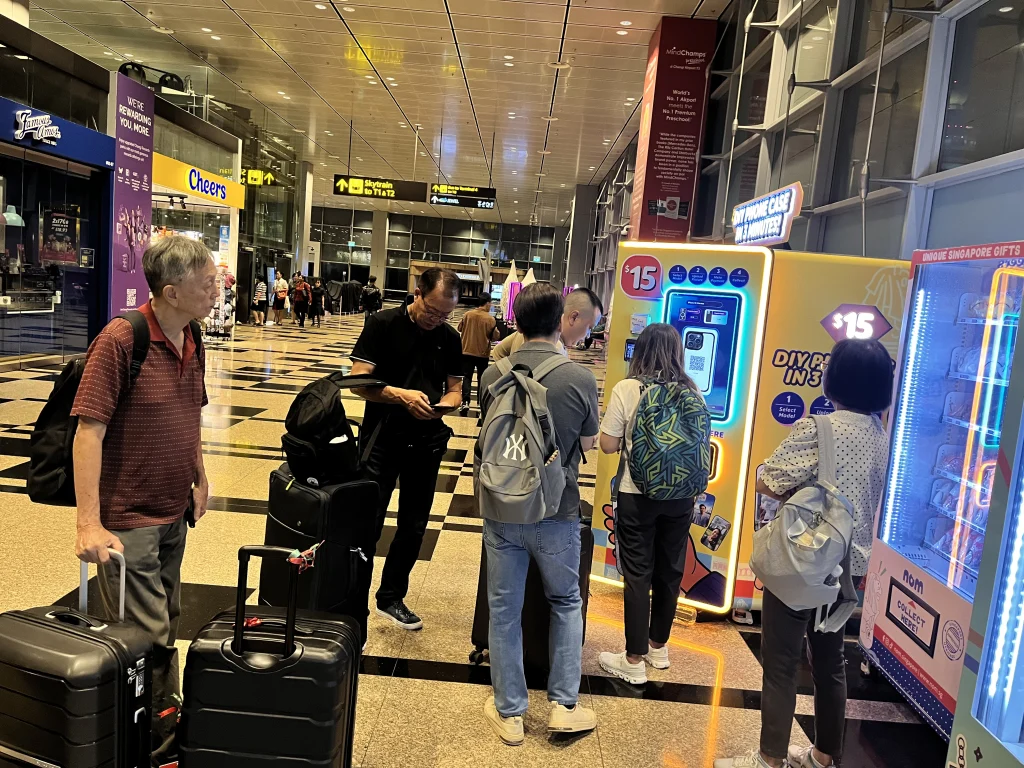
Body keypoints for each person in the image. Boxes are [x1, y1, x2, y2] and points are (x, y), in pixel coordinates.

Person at [716, 339, 894, 768]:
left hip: (805, 560)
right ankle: (824, 755)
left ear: (836, 378)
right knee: (831, 662)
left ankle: (770, 758)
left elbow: (769, 480)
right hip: (849, 567)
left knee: (780, 660)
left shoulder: (820, 428)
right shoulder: (881, 435)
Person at [73, 235, 216, 762]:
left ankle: (152, 723)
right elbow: (88, 433)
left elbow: (190, 411)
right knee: (146, 633)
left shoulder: (193, 335)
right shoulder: (120, 340)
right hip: (128, 518)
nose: (217, 290)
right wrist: (88, 523)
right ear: (172, 291)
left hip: (174, 509)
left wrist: (199, 475)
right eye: (207, 283)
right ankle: (159, 741)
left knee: (167, 615)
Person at [476, 283, 600, 746]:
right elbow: (588, 444)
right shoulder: (578, 378)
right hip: (556, 509)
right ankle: (564, 706)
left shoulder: (493, 374)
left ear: (516, 319)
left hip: (502, 506)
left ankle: (510, 712)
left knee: (504, 609)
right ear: (560, 320)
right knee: (565, 602)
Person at [349, 268, 463, 637]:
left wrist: (444, 406)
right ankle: (352, 603)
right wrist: (399, 396)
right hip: (381, 440)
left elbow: (456, 390)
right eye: (432, 310)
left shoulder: (449, 337)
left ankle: (391, 596)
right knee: (367, 525)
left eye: (445, 314)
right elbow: (357, 381)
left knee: (414, 526)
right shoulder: (382, 324)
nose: (437, 319)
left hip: (426, 442)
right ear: (417, 294)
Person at [595, 323, 704, 685]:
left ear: (640, 351)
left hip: (637, 492)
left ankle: (633, 659)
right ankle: (659, 648)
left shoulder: (628, 388)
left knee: (638, 574)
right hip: (681, 495)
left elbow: (608, 445)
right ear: (678, 353)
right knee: (670, 570)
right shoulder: (693, 391)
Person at [492, 287, 603, 360]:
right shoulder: (555, 348)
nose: (588, 335)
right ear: (573, 317)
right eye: (589, 327)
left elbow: (498, 351)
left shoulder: (529, 331)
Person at [457, 294, 499, 415]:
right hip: (482, 354)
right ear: (487, 303)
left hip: (466, 351)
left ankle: (465, 402)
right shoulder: (490, 319)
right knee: (482, 378)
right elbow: (495, 336)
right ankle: (481, 402)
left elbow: (459, 328)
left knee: (467, 377)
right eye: (490, 303)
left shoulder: (467, 315)